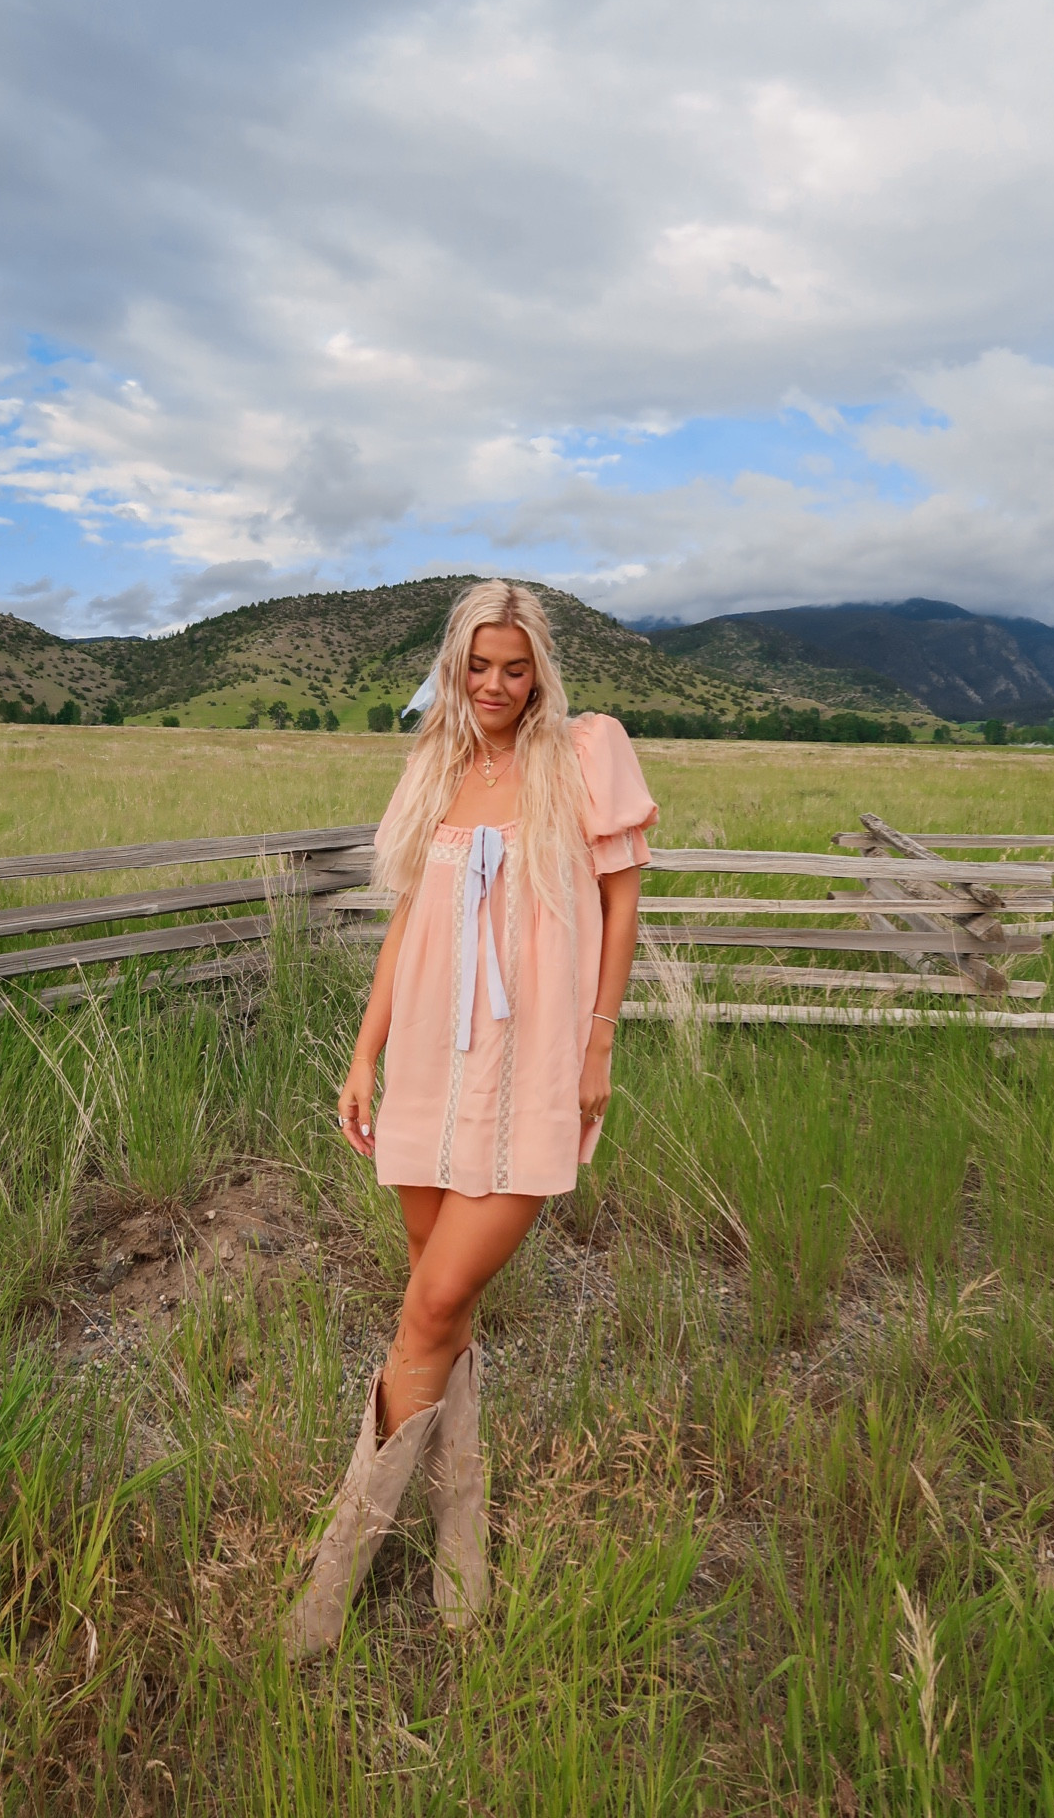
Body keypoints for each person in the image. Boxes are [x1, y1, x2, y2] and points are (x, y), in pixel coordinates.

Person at [282, 580, 656, 1656]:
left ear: (540, 667)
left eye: (515, 665)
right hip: (432, 1066)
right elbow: (409, 921)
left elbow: (622, 899)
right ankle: (462, 1550)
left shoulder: (586, 749)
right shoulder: (436, 763)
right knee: (436, 1315)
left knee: (433, 1302)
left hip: (532, 1063)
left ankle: (330, 1579)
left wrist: (598, 1040)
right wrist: (363, 1051)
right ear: (455, 665)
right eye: (477, 665)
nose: (494, 685)